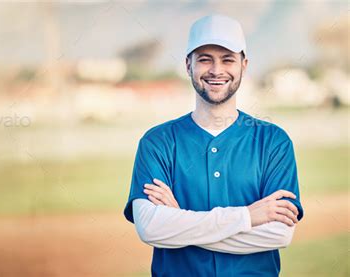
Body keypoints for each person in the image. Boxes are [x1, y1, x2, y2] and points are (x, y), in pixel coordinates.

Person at [123, 14, 304, 277]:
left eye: (227, 59)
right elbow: (151, 228)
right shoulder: (157, 142)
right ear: (188, 65)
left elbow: (279, 234)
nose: (216, 70)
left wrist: (180, 220)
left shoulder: (273, 141)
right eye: (205, 59)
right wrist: (247, 217)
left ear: (244, 65)